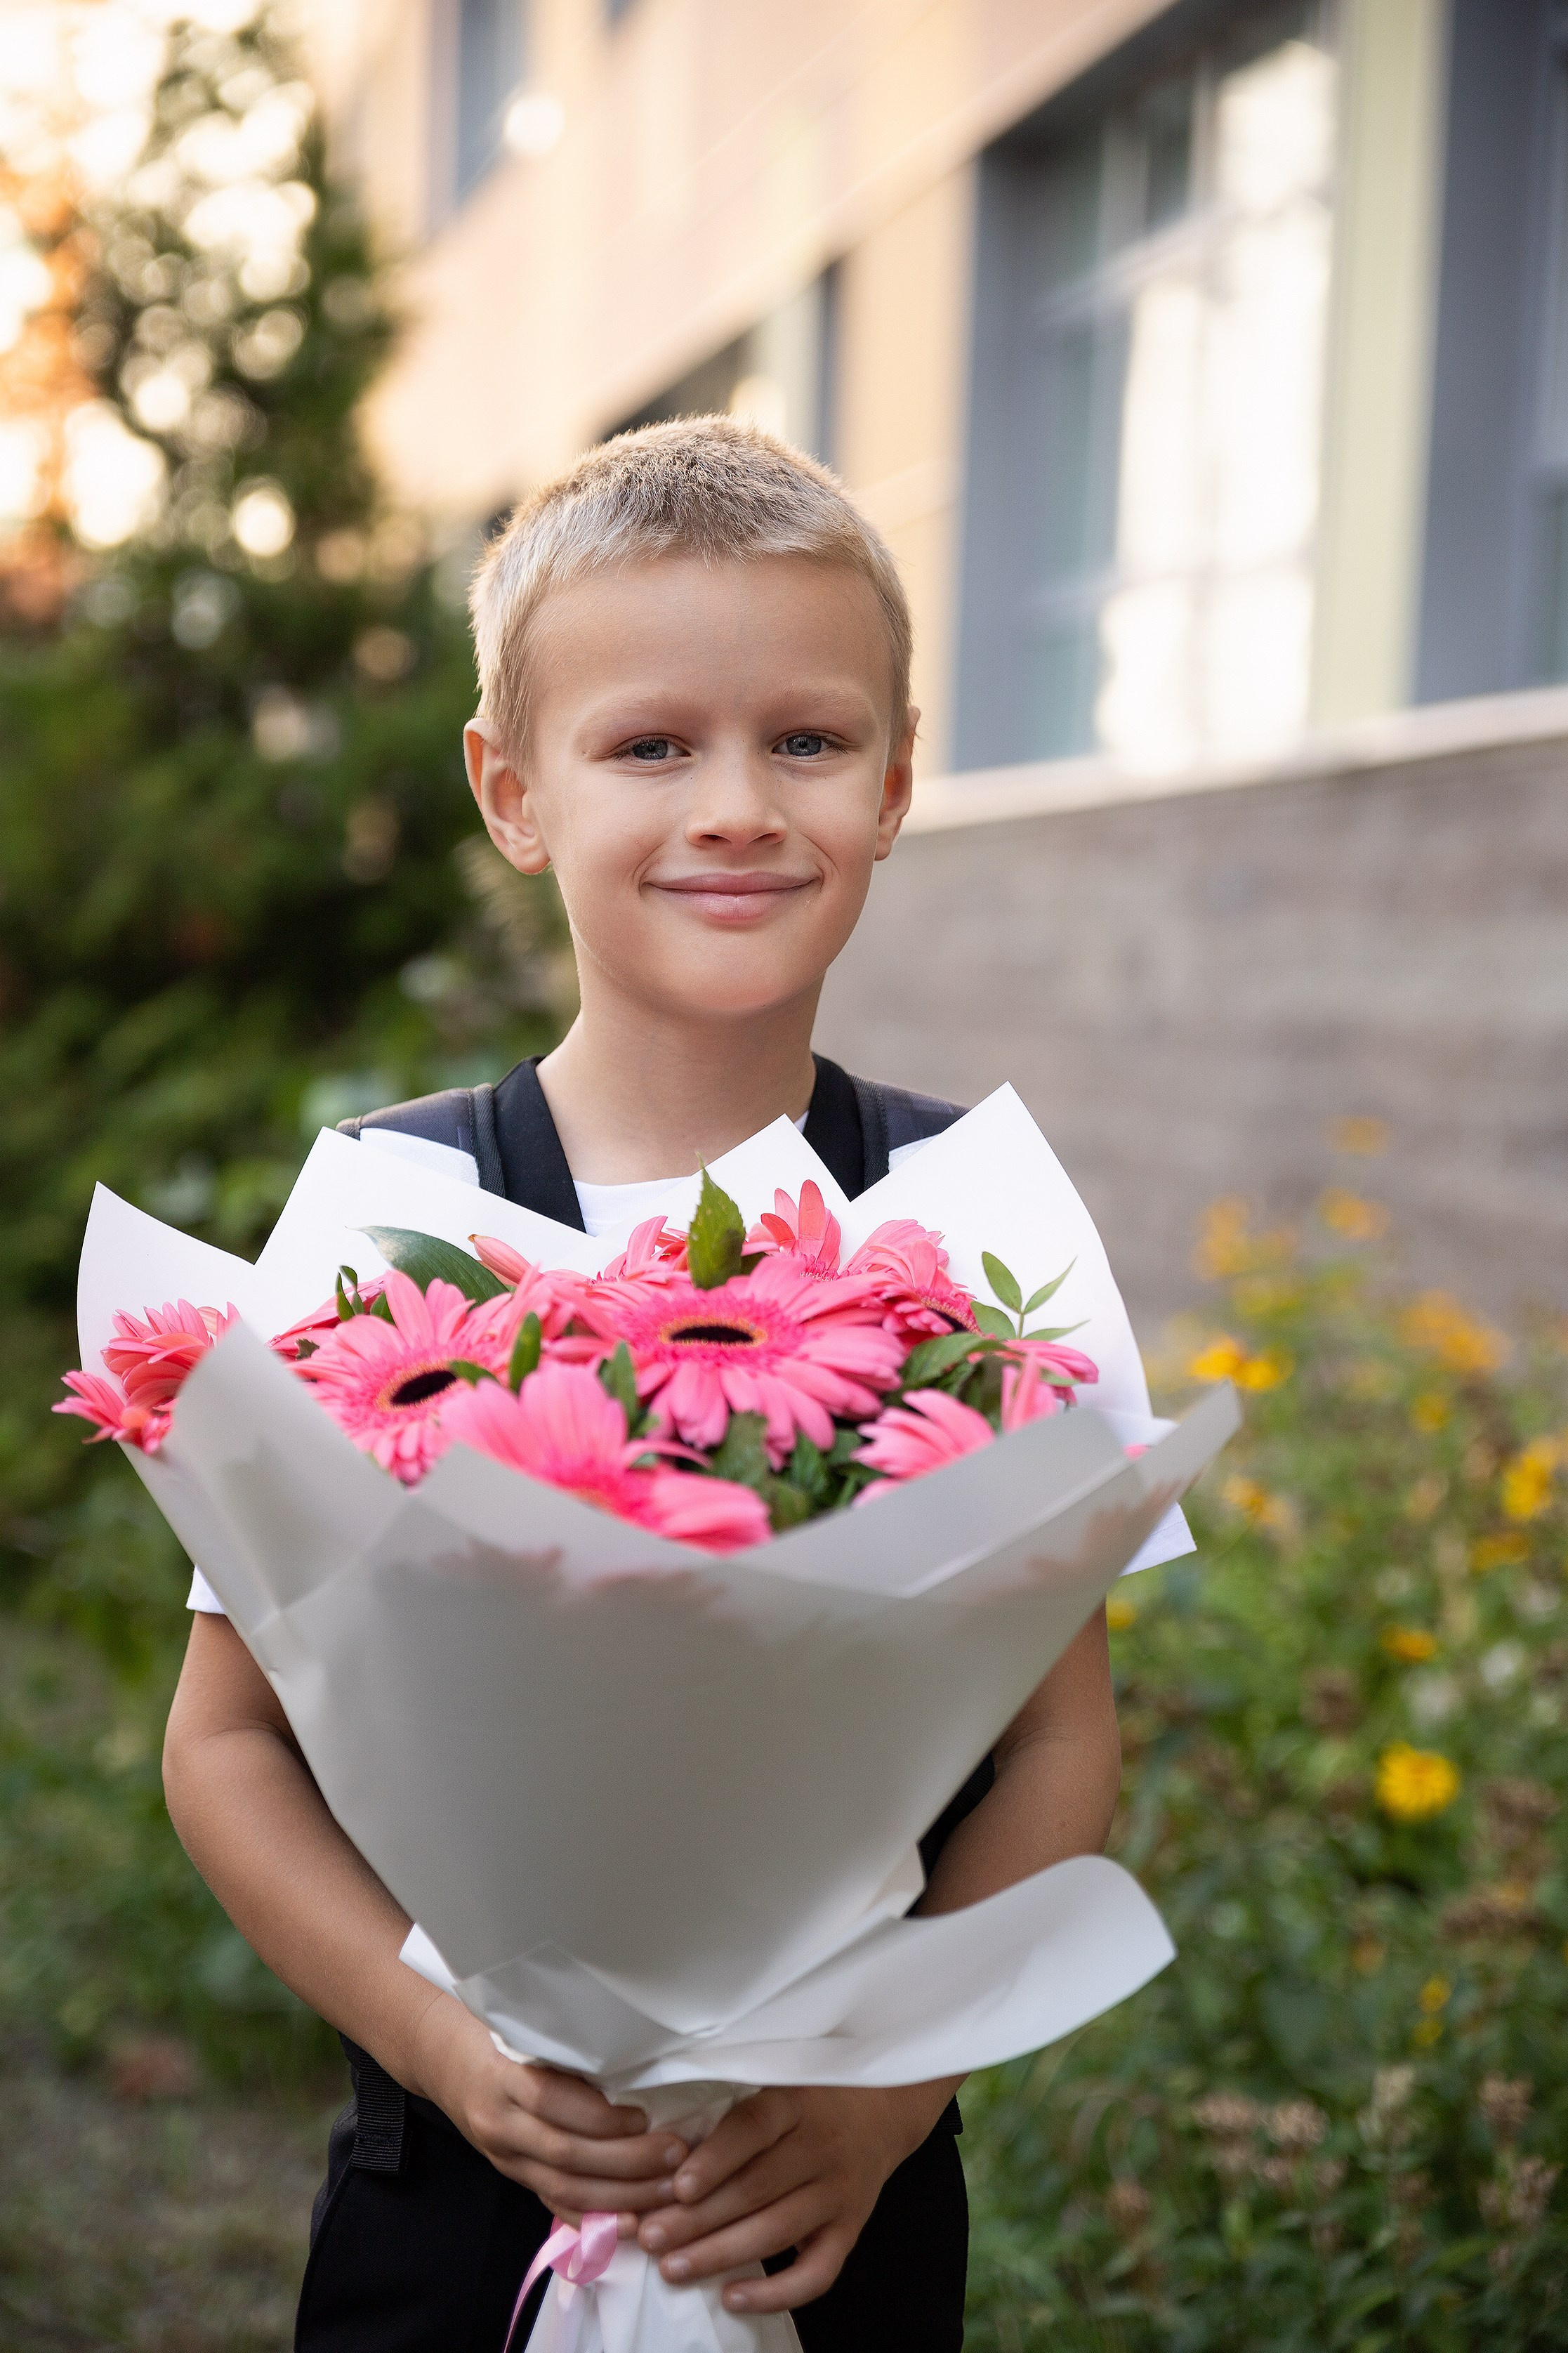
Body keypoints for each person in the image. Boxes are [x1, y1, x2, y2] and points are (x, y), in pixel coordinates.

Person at [161, 417, 1124, 2352]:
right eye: (652, 746)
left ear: (897, 779)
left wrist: (876, 2106)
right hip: (458, 2185)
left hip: (827, 2197)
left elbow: (1057, 1747)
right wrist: (441, 2043)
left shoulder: (976, 1211)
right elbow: (228, 1744)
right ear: (512, 793)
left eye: (808, 740)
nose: (739, 808)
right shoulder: (391, 1210)